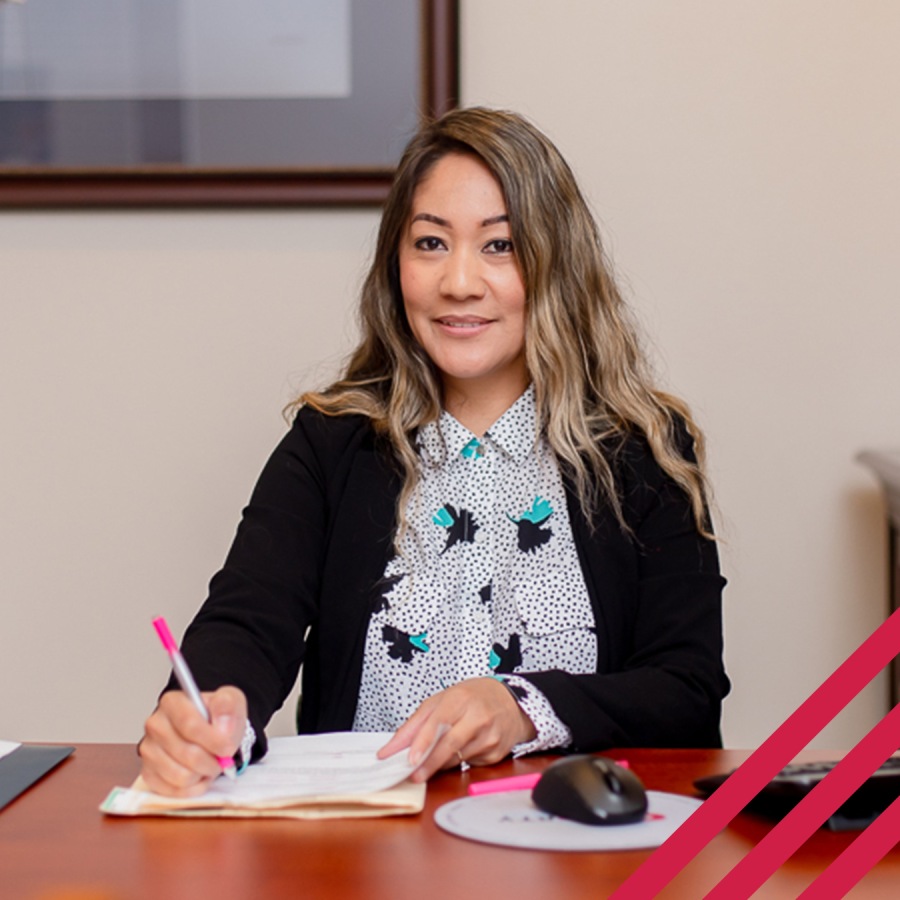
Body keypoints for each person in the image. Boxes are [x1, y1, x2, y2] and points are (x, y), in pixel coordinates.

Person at [139, 107, 729, 798]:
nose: (458, 282)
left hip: (573, 855)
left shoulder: (641, 450)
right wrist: (209, 713)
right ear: (397, 264)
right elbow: (246, 620)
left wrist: (523, 708)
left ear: (556, 265)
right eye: (430, 243)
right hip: (361, 851)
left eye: (499, 246)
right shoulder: (331, 444)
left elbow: (686, 691)